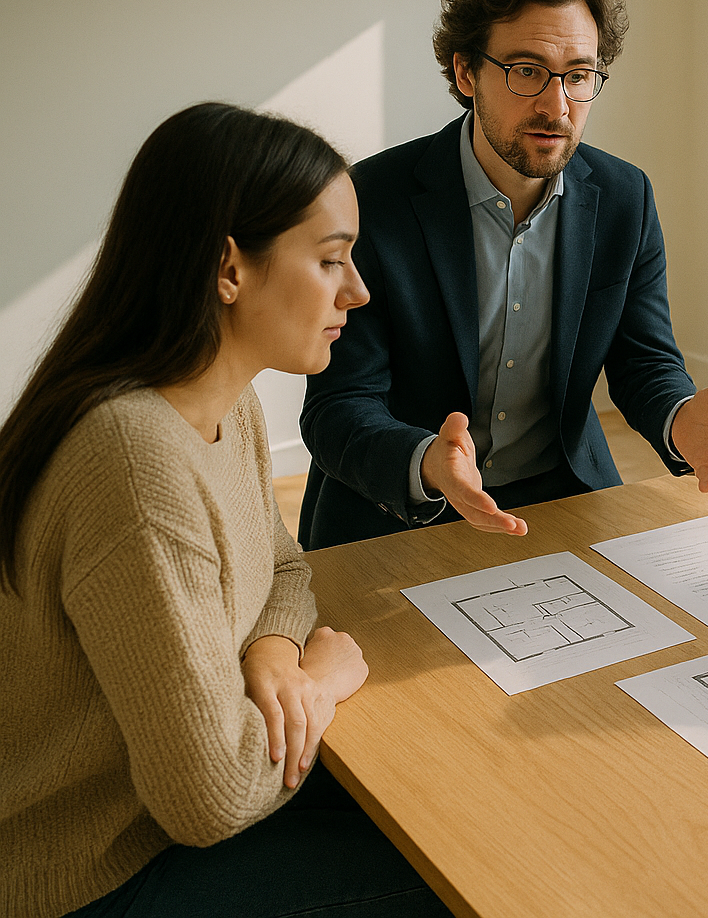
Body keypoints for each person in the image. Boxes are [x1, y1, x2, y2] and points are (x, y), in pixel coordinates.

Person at [0, 103, 451, 916]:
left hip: (160, 816)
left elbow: (282, 568)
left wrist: (275, 654)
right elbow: (207, 796)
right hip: (96, 875)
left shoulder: (220, 401)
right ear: (229, 268)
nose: (359, 289)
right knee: (460, 875)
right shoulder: (133, 459)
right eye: (330, 260)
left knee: (441, 795)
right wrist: (318, 680)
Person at [298, 0, 708, 550]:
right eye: (526, 71)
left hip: (562, 499)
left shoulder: (625, 197)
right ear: (467, 73)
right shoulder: (369, 200)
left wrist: (679, 417)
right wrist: (428, 462)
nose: (557, 107)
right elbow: (339, 405)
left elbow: (642, 362)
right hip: (396, 509)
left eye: (578, 76)